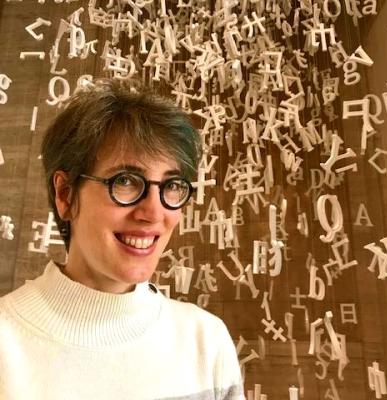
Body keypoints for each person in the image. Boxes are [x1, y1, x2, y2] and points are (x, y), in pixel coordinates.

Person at [0, 79, 245, 400]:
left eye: (171, 185)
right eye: (126, 180)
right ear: (65, 193)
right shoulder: (7, 344)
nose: (154, 212)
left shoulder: (206, 342)